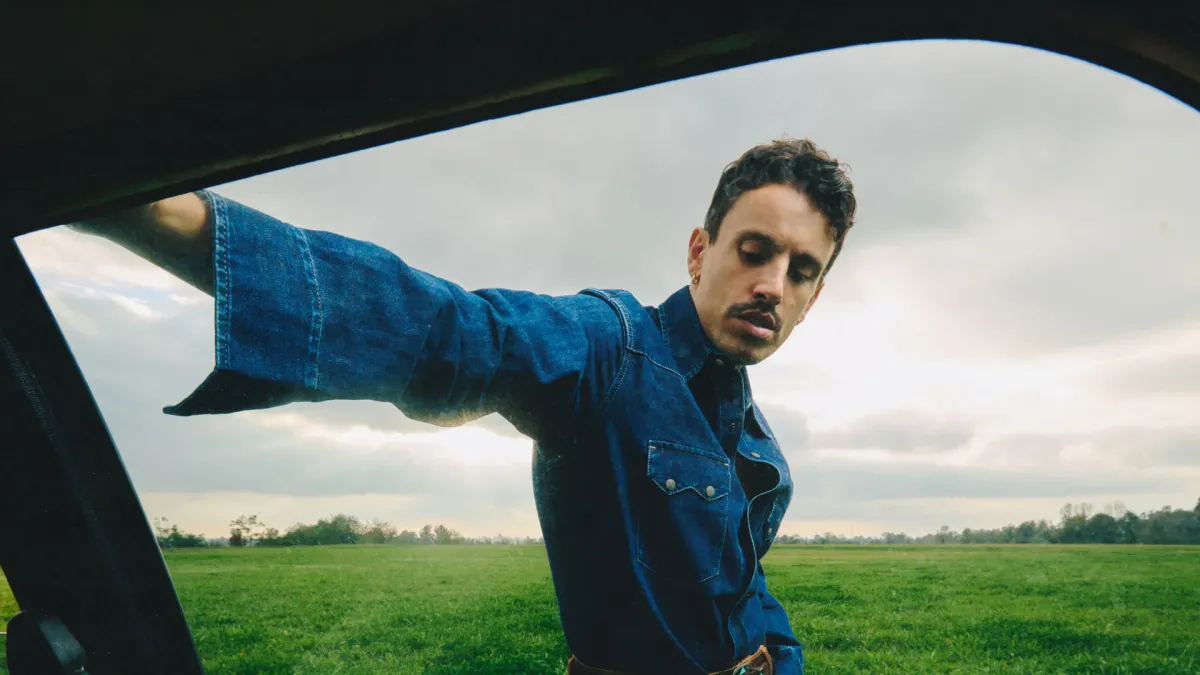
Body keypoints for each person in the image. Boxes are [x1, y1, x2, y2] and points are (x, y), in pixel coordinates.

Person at [71, 137, 857, 675]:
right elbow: (451, 329)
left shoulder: (749, 423)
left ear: (814, 297)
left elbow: (738, 583)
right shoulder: (607, 347)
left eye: (801, 270)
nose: (772, 285)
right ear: (699, 251)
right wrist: (169, 220)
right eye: (754, 250)